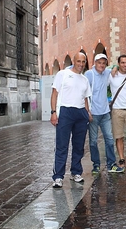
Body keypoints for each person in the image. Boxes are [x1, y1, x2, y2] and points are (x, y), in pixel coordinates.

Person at [50, 52, 92, 188]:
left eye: (83, 62)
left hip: (81, 113)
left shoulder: (85, 79)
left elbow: (86, 98)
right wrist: (53, 113)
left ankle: (75, 172)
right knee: (62, 145)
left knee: (79, 146)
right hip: (66, 111)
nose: (81, 64)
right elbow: (54, 94)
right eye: (78, 61)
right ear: (73, 61)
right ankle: (58, 177)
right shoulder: (62, 74)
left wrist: (88, 112)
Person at [84, 54, 124, 174]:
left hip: (105, 113)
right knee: (93, 141)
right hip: (93, 113)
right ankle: (96, 164)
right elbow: (84, 93)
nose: (101, 65)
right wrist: (87, 111)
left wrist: (117, 67)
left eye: (103, 63)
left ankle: (111, 164)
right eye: (99, 63)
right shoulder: (89, 74)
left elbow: (117, 67)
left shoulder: (107, 72)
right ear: (94, 63)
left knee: (109, 139)